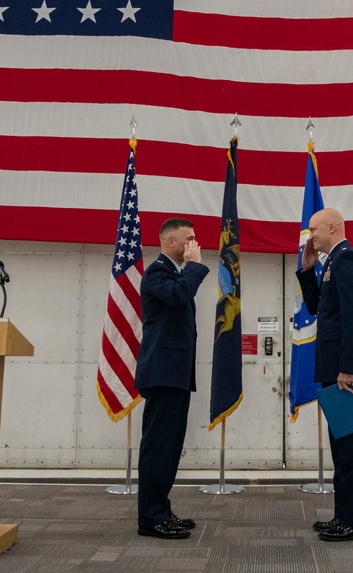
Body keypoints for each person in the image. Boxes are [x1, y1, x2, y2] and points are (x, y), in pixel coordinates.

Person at [296, 208, 353, 542]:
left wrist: (347, 368)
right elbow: (319, 307)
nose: (310, 236)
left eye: (314, 230)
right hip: (338, 370)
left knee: (351, 448)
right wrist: (307, 271)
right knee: (341, 447)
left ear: (333, 227)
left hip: (350, 373)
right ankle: (344, 515)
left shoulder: (349, 261)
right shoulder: (331, 262)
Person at [135, 217, 210, 539]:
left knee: (169, 447)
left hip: (174, 374)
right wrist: (195, 266)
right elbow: (178, 296)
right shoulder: (157, 273)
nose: (194, 245)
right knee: (158, 447)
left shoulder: (173, 273)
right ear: (169, 243)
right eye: (188, 239)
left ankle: (161, 510)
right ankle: (151, 518)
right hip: (163, 374)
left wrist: (189, 268)